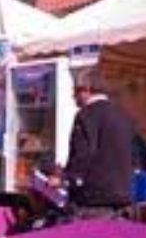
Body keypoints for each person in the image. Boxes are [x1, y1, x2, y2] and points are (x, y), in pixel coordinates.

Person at [48, 69, 135, 220]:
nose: (73, 96)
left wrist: (64, 179)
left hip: (92, 200)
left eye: (76, 91)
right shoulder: (122, 114)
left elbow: (83, 154)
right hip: (122, 199)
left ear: (87, 89)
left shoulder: (86, 115)